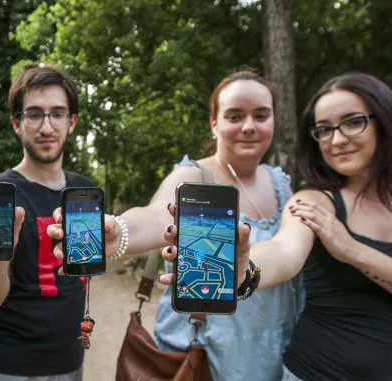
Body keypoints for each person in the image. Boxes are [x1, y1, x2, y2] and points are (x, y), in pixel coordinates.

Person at [48, 70, 304, 380]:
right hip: (201, 357)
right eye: (235, 116)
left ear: (274, 120)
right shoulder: (192, 178)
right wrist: (120, 231)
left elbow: (287, 252)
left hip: (272, 349)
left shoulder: (281, 184)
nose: (249, 127)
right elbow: (156, 216)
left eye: (261, 115)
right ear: (214, 123)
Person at [161, 72, 392, 380]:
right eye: (324, 129)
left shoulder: (280, 184)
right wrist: (240, 270)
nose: (337, 139)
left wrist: (352, 250)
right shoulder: (313, 201)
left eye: (352, 122)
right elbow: (284, 252)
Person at [0, 64, 92, 381]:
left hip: (71, 365)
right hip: (6, 367)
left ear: (72, 122)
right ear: (17, 123)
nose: (46, 126)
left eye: (57, 114)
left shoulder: (83, 192)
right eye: (33, 114)